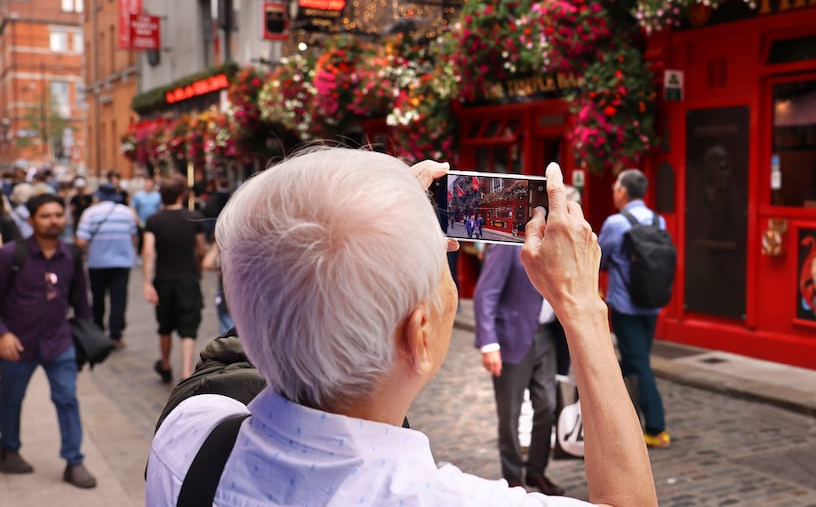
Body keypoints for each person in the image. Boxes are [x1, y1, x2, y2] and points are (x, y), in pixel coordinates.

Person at [146, 149, 656, 505]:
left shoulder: (190, 432)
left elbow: (276, 307)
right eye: (440, 274)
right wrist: (582, 306)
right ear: (420, 336)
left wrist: (363, 224)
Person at [0, 194, 97, 488]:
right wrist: (3, 334)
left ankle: (74, 461)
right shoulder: (10, 255)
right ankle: (9, 450)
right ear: (31, 220)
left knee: (67, 399)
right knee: (10, 400)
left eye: (58, 214)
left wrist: (87, 338)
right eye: (45, 216)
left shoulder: (71, 254)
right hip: (17, 344)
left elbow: (81, 301)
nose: (53, 221)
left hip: (59, 342)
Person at [475, 243, 563, 494]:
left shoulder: (557, 242)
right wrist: (489, 344)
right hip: (512, 337)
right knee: (510, 413)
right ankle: (513, 477)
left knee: (548, 405)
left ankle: (536, 470)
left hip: (548, 336)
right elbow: (485, 293)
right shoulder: (508, 245)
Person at [598, 169, 671, 448]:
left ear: (623, 191)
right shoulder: (658, 220)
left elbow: (599, 258)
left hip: (625, 306)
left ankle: (656, 427)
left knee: (639, 365)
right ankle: (625, 421)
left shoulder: (616, 223)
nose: (613, 191)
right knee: (633, 362)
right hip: (651, 304)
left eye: (615, 187)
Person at [143, 175, 206, 383]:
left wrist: (146, 282)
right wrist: (199, 269)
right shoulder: (194, 217)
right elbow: (201, 250)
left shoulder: (154, 220)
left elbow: (148, 252)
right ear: (182, 194)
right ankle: (186, 372)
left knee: (165, 326)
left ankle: (165, 364)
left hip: (163, 279)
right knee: (188, 327)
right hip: (188, 278)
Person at [75, 183, 139, 348]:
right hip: (122, 263)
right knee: (119, 299)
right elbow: (134, 238)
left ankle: (97, 332)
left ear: (99, 196)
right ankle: (115, 335)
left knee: (98, 298)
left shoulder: (90, 213)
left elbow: (81, 241)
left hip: (97, 263)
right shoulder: (127, 213)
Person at [131, 178, 162, 253]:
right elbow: (133, 208)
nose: (148, 186)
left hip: (154, 223)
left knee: (153, 242)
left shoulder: (158, 196)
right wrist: (137, 220)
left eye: (150, 184)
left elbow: (161, 209)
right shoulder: (138, 195)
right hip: (142, 223)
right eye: (147, 184)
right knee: (141, 242)